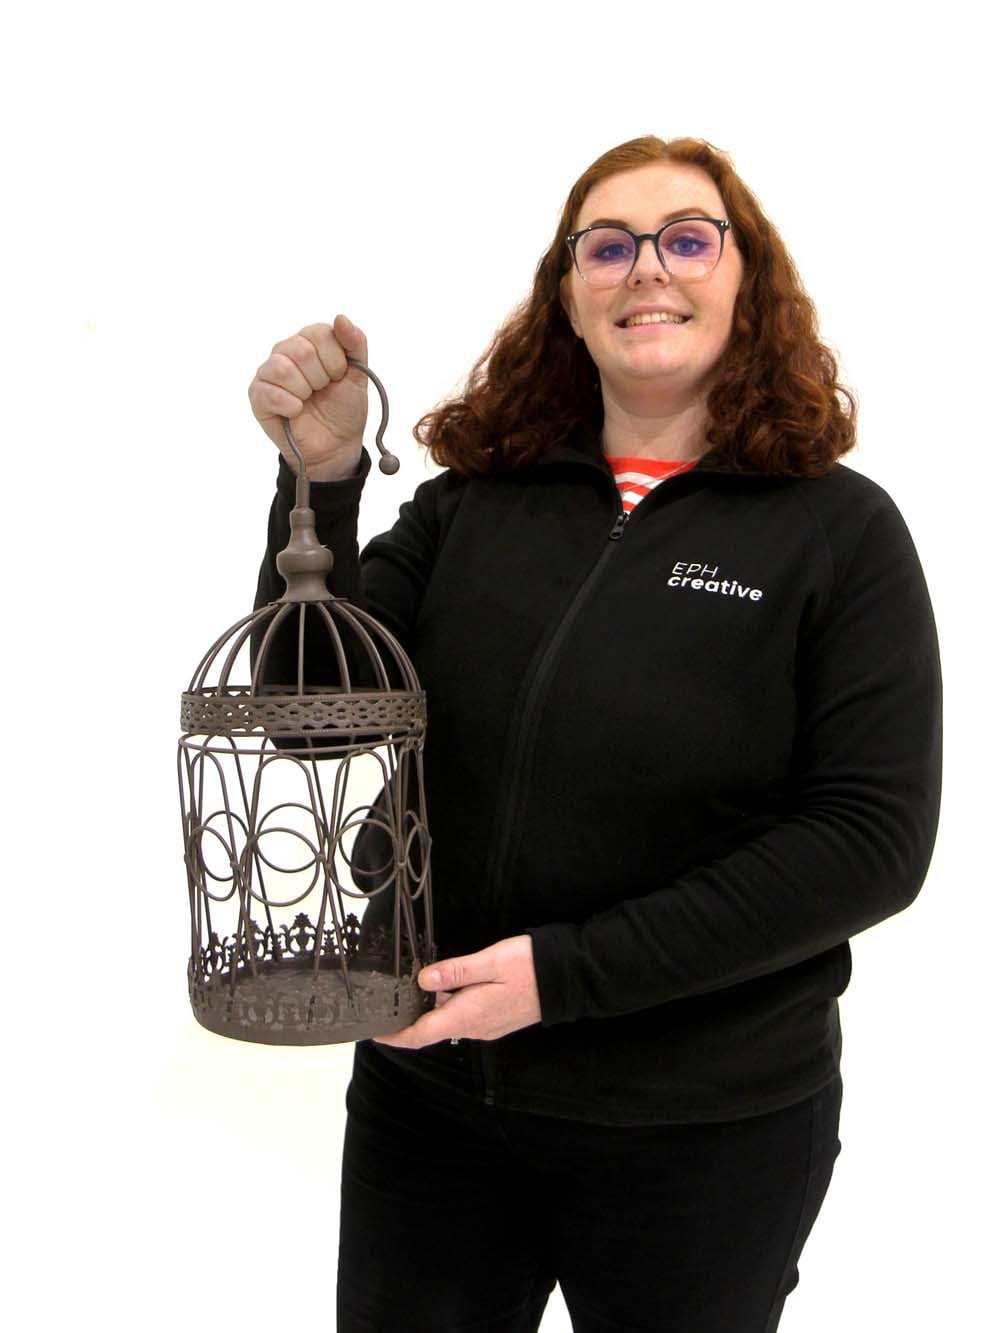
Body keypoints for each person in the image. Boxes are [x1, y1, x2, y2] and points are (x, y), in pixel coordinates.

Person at [247, 135, 942, 1333]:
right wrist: (321, 485)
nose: (646, 269)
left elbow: (868, 841)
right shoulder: (470, 504)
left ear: (747, 281)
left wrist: (564, 975)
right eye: (606, 247)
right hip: (431, 1100)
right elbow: (309, 720)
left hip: (701, 1131)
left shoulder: (837, 533)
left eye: (687, 240)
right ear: (566, 296)